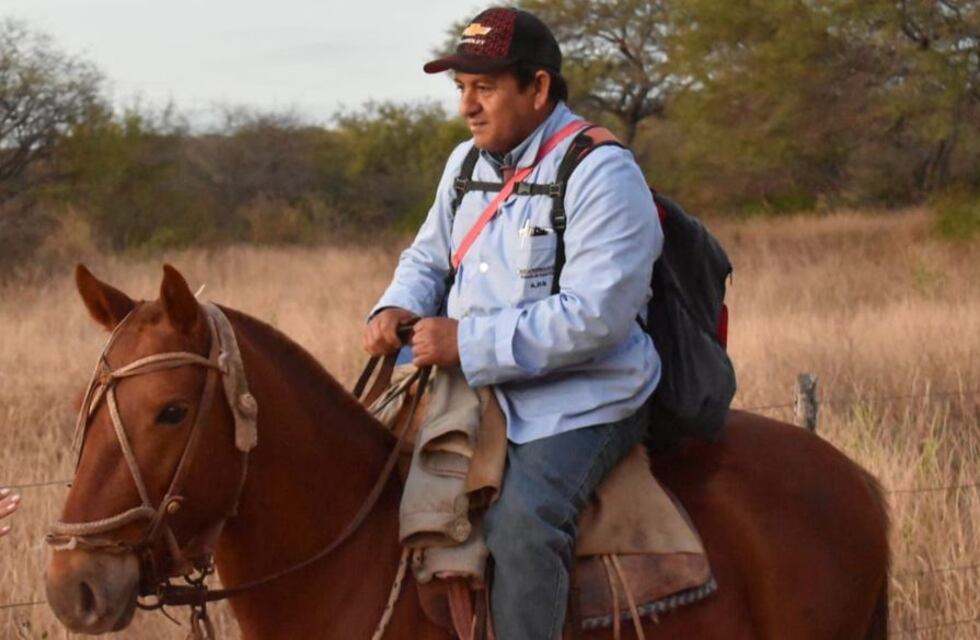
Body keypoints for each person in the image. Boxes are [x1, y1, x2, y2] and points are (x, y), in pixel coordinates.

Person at [363, 7, 662, 639]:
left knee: (523, 525)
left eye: (486, 88)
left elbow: (596, 317)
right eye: (461, 89)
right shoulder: (464, 163)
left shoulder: (601, 171)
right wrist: (395, 306)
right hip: (479, 388)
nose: (468, 106)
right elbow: (428, 256)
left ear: (538, 87)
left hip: (585, 396)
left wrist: (463, 341)